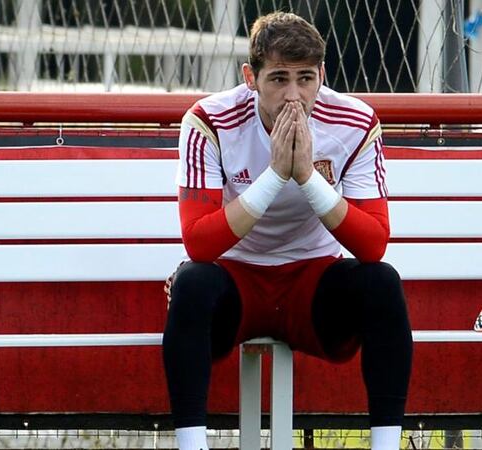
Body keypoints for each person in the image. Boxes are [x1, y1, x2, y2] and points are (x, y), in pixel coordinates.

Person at [162, 11, 413, 450]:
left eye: (305, 79)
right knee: (192, 281)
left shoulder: (354, 121)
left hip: (312, 282)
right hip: (236, 279)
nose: (293, 96)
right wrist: (276, 175)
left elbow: (373, 244)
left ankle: (387, 444)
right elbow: (199, 243)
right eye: (278, 78)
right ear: (250, 77)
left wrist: (307, 178)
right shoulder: (208, 120)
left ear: (322, 75)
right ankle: (191, 445)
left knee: (382, 282)